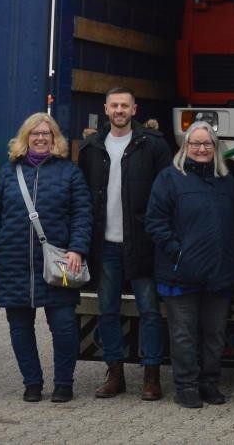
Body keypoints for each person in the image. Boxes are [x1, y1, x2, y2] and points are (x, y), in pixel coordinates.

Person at [0, 112, 91, 404]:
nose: (41, 138)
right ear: (25, 138)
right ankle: (32, 383)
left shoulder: (69, 173)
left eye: (47, 133)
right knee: (20, 328)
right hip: (14, 263)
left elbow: (82, 214)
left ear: (55, 139)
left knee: (65, 326)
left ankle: (64, 383)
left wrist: (77, 247)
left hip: (59, 263)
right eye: (35, 133)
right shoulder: (8, 172)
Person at [76, 86, 173, 400]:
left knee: (149, 312)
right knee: (107, 312)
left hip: (141, 242)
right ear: (105, 109)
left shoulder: (153, 145)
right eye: (114, 105)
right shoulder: (91, 147)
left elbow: (167, 194)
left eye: (125, 106)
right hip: (105, 245)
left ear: (135, 110)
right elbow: (82, 198)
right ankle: (114, 374)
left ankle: (151, 377)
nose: (119, 110)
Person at [144, 122, 234, 409]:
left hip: (219, 273)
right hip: (180, 273)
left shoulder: (227, 181)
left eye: (207, 144)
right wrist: (177, 252)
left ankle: (209, 384)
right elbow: (155, 221)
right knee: (183, 334)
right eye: (195, 144)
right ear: (185, 147)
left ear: (215, 148)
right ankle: (186, 386)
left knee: (214, 334)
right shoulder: (169, 178)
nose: (202, 149)